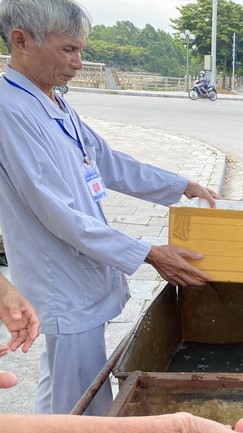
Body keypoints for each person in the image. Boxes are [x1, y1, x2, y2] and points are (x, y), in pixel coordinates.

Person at [0, 0, 221, 416]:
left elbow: (106, 159)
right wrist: (148, 253)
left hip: (80, 274)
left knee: (64, 388)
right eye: (68, 50)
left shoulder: (53, 102)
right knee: (84, 401)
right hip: (60, 279)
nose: (79, 62)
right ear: (21, 40)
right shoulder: (10, 112)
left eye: (81, 50)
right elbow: (57, 211)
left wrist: (182, 185)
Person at [0, 273, 243, 433]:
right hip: (63, 293)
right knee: (69, 390)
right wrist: (179, 426)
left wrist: (3, 290)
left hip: (71, 292)